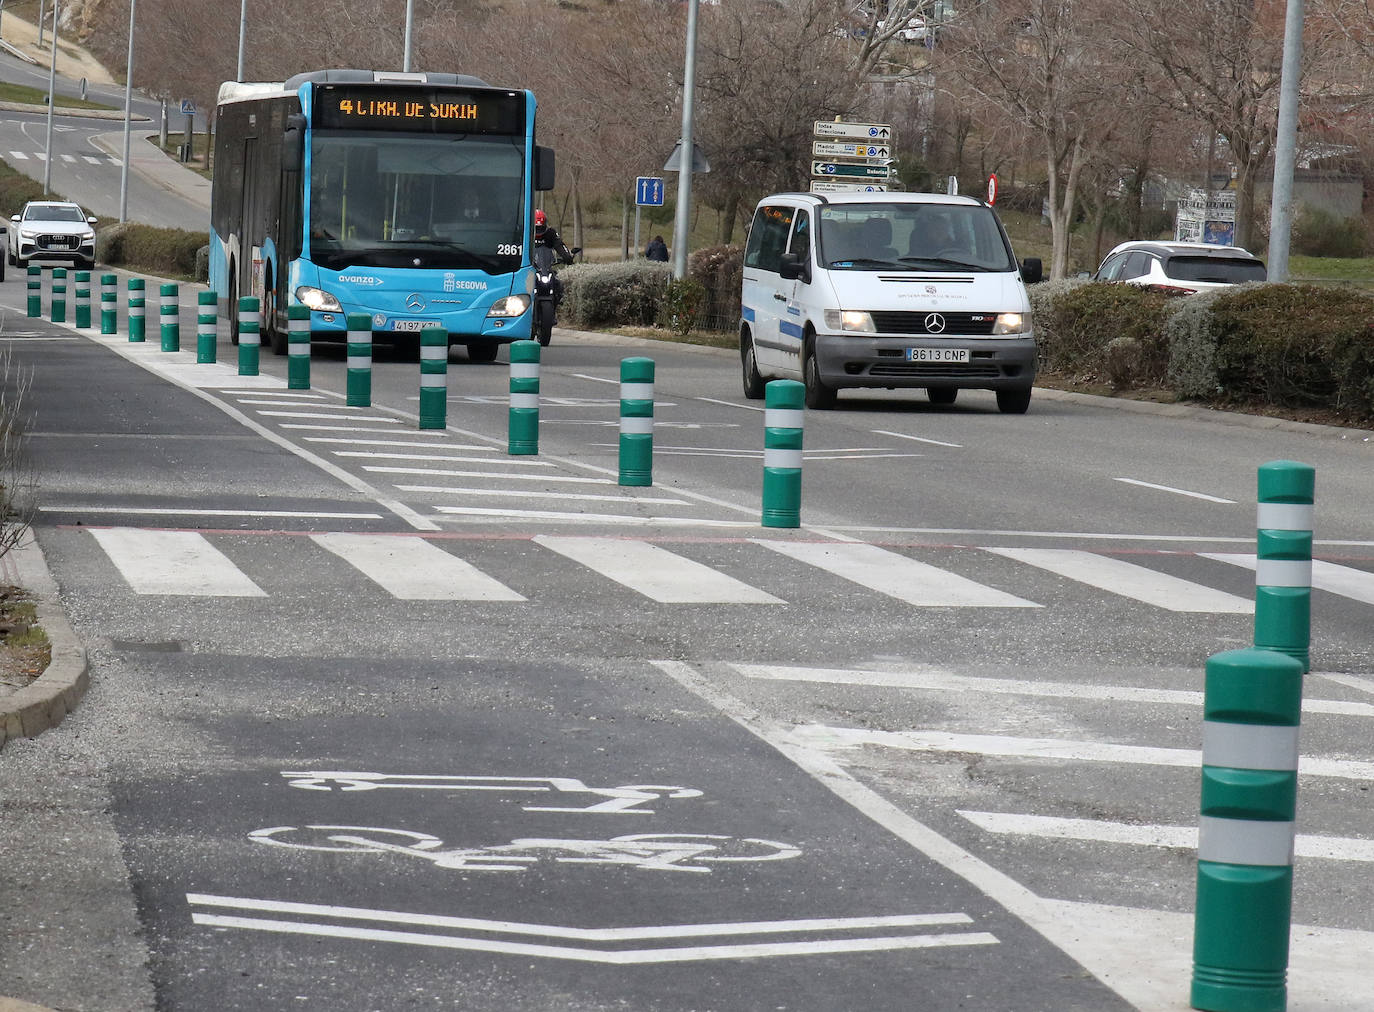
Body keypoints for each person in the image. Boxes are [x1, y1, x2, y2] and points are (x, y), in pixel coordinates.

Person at [533, 209, 575, 304]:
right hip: (530, 267)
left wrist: (567, 258)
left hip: (546, 267)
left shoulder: (551, 233)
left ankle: (558, 302)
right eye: (537, 228)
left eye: (541, 228)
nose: (539, 231)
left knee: (558, 284)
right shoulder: (526, 233)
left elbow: (559, 245)